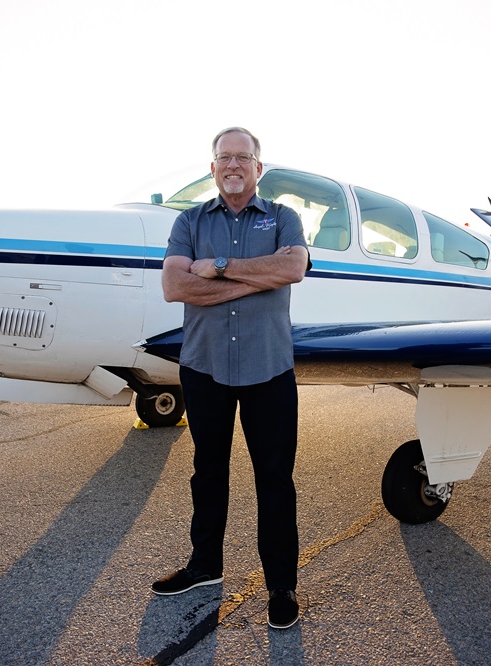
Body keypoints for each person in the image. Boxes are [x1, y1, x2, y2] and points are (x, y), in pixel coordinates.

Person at [153, 127, 310, 630]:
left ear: (258, 169)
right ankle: (205, 566)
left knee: (275, 481)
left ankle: (281, 585)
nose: (234, 164)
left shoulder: (284, 218)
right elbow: (175, 285)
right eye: (225, 157)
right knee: (208, 471)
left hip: (269, 370)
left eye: (244, 157)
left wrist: (218, 269)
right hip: (205, 369)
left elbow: (294, 268)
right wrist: (255, 279)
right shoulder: (189, 221)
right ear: (213, 167)